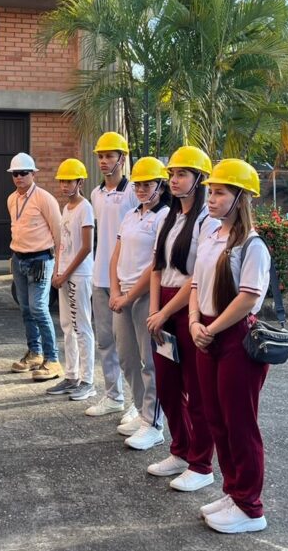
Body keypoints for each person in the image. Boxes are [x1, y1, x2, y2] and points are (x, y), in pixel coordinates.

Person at [188, 159, 272, 533]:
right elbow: (195, 286)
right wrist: (194, 322)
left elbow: (248, 298)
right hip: (207, 333)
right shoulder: (210, 236)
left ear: (240, 198)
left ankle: (251, 507)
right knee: (215, 419)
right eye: (211, 191)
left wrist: (211, 328)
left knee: (240, 424)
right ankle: (233, 491)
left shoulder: (252, 245)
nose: (212, 197)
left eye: (220, 192)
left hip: (235, 338)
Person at [144, 146, 216, 492]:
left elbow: (197, 277)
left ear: (199, 179)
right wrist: (155, 310)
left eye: (182, 174)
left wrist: (166, 313)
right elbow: (157, 268)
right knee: (167, 386)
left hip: (190, 307)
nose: (173, 180)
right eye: (172, 174)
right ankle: (180, 450)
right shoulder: (169, 218)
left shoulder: (206, 221)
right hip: (164, 309)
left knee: (197, 390)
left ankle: (202, 464)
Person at [111, 156, 171, 450]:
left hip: (145, 295)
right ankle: (139, 409)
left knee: (150, 362)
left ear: (161, 185)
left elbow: (156, 265)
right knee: (126, 357)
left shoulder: (164, 217)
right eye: (138, 184)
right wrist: (114, 291)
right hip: (122, 294)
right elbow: (116, 254)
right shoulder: (132, 215)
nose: (141, 189)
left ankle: (153, 423)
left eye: (147, 184)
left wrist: (129, 295)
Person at [84, 131, 140, 426]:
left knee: (131, 347)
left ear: (122, 158)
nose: (104, 162)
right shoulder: (95, 194)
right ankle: (113, 396)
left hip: (127, 281)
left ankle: (138, 404)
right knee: (105, 340)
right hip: (100, 276)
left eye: (109, 156)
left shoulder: (133, 192)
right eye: (100, 156)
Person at [6, 152, 64, 382]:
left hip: (40, 260)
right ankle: (35, 353)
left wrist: (58, 267)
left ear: (33, 174)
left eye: (23, 173)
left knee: (39, 308)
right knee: (25, 309)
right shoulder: (12, 199)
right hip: (19, 258)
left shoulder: (44, 199)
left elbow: (59, 234)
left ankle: (53, 359)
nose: (19, 177)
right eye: (15, 174)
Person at [47, 158, 96, 401]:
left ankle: (88, 381)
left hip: (79, 274)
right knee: (67, 326)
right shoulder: (66, 208)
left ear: (80, 181)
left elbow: (87, 247)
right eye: (62, 181)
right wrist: (57, 271)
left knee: (81, 326)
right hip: (64, 275)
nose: (65, 185)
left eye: (69, 181)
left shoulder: (85, 207)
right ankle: (71, 375)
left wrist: (66, 273)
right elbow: (63, 245)